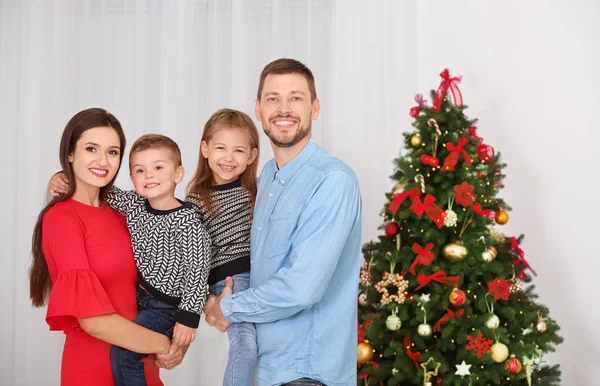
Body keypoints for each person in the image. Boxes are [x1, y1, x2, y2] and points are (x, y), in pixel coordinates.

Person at [205, 59, 362, 386]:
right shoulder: (267, 178)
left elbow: (302, 288)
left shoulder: (332, 181)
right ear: (259, 109)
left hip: (307, 374)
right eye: (273, 98)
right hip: (266, 372)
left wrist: (229, 307)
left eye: (296, 98)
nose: (284, 108)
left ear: (314, 108)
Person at [30, 108, 177, 386]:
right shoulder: (62, 218)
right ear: (70, 154)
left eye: (112, 152)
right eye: (91, 148)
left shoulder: (123, 214)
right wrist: (165, 343)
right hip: (94, 370)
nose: (103, 160)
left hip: (141, 366)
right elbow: (94, 321)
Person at [49, 133, 211, 386]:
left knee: (125, 355)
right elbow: (100, 185)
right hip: (131, 320)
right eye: (139, 170)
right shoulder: (133, 207)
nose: (149, 176)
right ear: (131, 177)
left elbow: (198, 272)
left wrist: (187, 319)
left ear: (178, 174)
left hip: (164, 306)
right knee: (125, 356)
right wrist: (63, 176)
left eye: (158, 168)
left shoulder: (187, 221)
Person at [185, 108, 260, 386]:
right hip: (231, 280)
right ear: (205, 149)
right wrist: (208, 299)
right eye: (220, 148)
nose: (228, 158)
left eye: (238, 151)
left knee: (264, 348)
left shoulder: (257, 191)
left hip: (262, 278)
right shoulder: (196, 199)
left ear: (251, 155)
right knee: (245, 345)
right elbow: (190, 255)